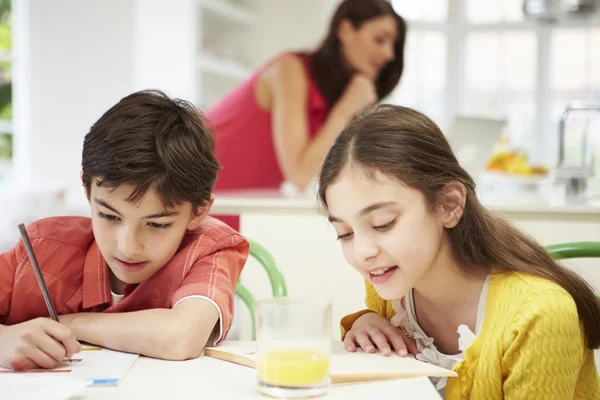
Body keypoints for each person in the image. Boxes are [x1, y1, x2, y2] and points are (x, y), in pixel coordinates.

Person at [317, 104, 600, 399]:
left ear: (448, 205)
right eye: (345, 233)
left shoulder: (539, 316)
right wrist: (367, 322)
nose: (362, 252)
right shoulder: (390, 283)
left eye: (383, 224)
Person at [0, 90, 249, 370]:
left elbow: (182, 337)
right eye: (109, 216)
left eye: (157, 224)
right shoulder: (42, 247)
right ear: (87, 189)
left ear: (199, 211)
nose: (128, 247)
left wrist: (69, 322)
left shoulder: (210, 248)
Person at [207, 0, 406, 229]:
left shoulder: (339, 96)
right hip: (200, 191)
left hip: (240, 207)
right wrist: (348, 107)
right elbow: (300, 175)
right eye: (380, 39)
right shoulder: (289, 69)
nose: (389, 54)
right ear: (345, 30)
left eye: (393, 44)